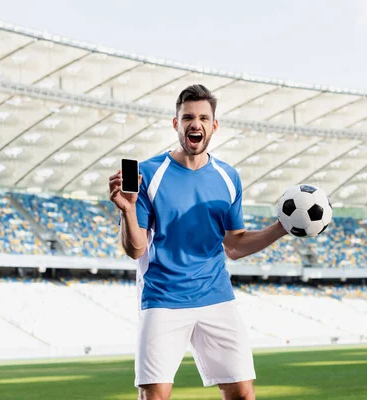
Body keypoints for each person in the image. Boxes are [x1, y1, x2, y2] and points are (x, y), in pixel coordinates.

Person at [108, 84, 287, 400]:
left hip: (216, 296)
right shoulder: (149, 173)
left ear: (214, 126)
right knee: (155, 397)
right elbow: (136, 248)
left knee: (243, 394)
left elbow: (234, 245)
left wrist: (281, 228)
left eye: (204, 117)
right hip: (163, 297)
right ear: (175, 123)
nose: (196, 123)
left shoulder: (228, 177)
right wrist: (128, 209)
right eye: (188, 117)